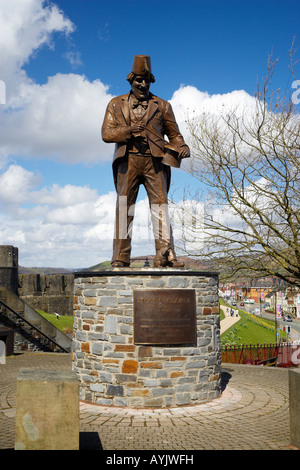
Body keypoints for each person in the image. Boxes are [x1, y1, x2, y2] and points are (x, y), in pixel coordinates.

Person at [102, 55, 190, 268]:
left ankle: (166, 255)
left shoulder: (163, 106)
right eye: (139, 80)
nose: (142, 84)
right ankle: (120, 258)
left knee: (160, 208)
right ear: (130, 80)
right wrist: (129, 130)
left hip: (155, 162)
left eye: (146, 80)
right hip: (128, 161)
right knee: (124, 208)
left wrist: (182, 145)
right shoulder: (115, 104)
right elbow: (106, 133)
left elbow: (174, 135)